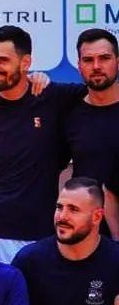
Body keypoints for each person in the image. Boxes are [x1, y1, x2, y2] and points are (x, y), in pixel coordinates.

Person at [0, 26, 80, 263]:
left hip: (40, 234)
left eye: (3, 60)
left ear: (26, 63)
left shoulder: (53, 98)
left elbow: (101, 93)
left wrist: (44, 79)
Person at [64, 29, 119, 230]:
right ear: (79, 65)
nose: (96, 66)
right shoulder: (69, 112)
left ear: (117, 61)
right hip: (85, 231)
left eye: (104, 58)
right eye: (88, 60)